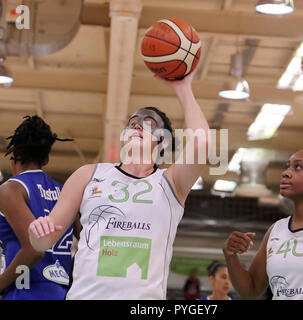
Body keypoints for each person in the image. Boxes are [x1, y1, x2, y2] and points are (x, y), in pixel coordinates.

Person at [28, 72, 210, 300]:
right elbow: (44, 240)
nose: (137, 126)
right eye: (132, 123)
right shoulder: (88, 174)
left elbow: (202, 144)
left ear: (162, 140)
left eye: (148, 124)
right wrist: (37, 231)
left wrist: (183, 87)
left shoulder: (171, 183)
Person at [223, 132, 303, 300]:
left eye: (298, 167)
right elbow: (250, 290)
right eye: (287, 167)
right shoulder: (276, 230)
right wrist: (230, 254)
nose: (286, 173)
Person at [0, 115, 74, 300]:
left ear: (14, 158)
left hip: (24, 291)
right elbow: (89, 243)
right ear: (46, 159)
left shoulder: (11, 189)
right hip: (61, 292)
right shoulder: (65, 192)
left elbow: (35, 249)